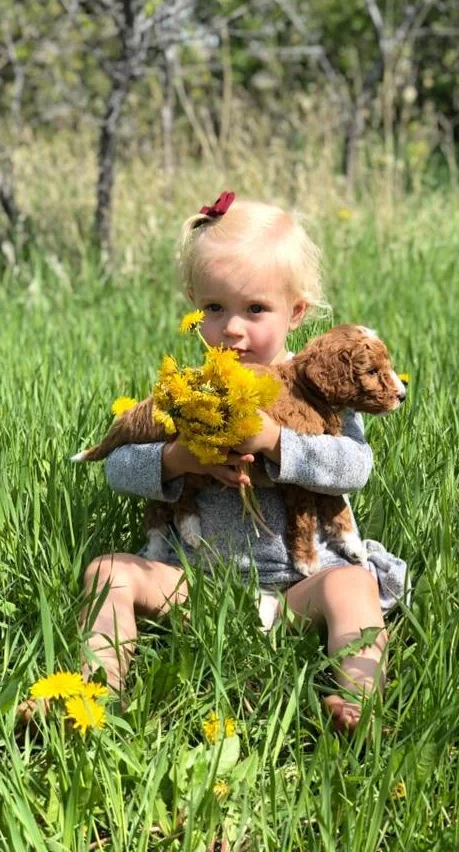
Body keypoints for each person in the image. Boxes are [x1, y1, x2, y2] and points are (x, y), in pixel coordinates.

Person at [83, 194, 406, 734]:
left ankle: (358, 703)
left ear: (295, 312)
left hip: (299, 587)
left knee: (354, 587)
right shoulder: (191, 392)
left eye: (255, 310)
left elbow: (354, 468)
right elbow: (117, 468)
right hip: (199, 587)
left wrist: (278, 442)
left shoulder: (317, 392)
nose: (232, 328)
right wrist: (178, 459)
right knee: (108, 571)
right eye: (214, 308)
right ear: (194, 305)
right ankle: (94, 695)